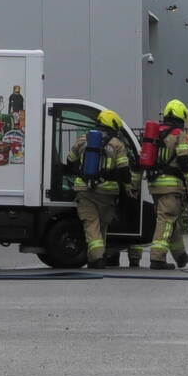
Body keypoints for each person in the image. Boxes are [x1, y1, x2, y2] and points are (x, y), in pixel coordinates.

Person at [66, 109, 133, 269]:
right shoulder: (117, 144)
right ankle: (96, 258)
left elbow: (70, 161)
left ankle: (96, 258)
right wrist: (128, 186)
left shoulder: (83, 139)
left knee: (91, 224)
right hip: (107, 192)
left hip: (85, 190)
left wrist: (82, 173)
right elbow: (124, 171)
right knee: (102, 225)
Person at [145, 99, 188, 270]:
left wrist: (133, 184)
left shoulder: (155, 133)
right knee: (167, 220)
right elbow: (185, 163)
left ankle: (180, 256)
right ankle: (157, 258)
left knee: (171, 220)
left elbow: (141, 160)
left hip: (154, 185)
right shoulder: (178, 135)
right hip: (171, 186)